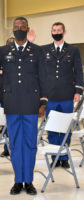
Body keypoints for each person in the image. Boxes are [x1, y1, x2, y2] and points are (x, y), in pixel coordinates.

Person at [0, 17, 47, 195]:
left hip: (31, 104)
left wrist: (43, 102)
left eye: (22, 27)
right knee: (15, 145)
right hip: (11, 104)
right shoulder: (4, 50)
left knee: (30, 144)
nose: (19, 29)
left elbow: (43, 78)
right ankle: (18, 180)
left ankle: (29, 181)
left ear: (28, 29)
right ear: (13, 30)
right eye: (16, 27)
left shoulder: (37, 50)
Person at [42, 22, 83, 168]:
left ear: (64, 32)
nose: (56, 32)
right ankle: (55, 157)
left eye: (59, 30)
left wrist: (78, 91)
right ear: (51, 32)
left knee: (66, 127)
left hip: (67, 95)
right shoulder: (44, 50)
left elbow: (78, 71)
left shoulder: (73, 50)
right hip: (50, 95)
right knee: (52, 127)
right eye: (54, 30)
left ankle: (64, 157)